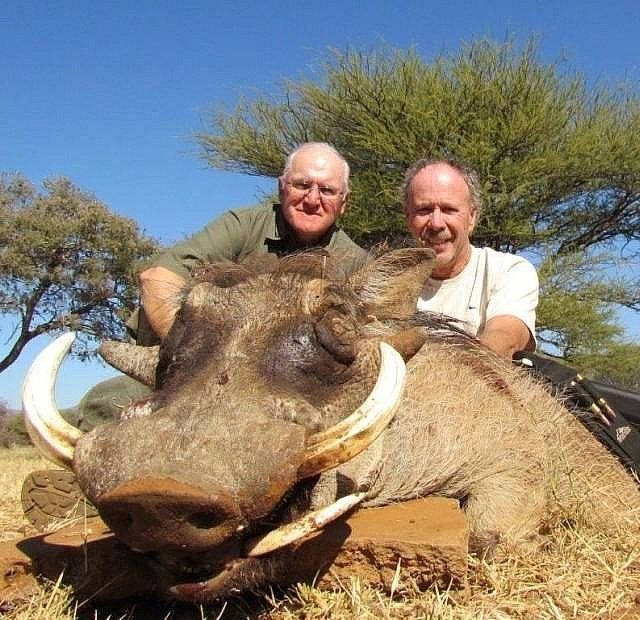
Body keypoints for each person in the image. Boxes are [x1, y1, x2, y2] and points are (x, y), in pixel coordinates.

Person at [22, 142, 367, 529]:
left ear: (344, 202)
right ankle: (90, 485)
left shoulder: (354, 262)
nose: (313, 198)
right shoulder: (242, 226)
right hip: (194, 366)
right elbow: (158, 279)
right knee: (117, 400)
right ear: (281, 187)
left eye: (327, 190)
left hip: (276, 381)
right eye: (302, 184)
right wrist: (196, 358)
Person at [402, 158, 539, 359]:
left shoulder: (509, 270)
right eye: (424, 210)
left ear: (472, 217)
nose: (436, 223)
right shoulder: (391, 279)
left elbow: (505, 338)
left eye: (449, 209)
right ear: (408, 217)